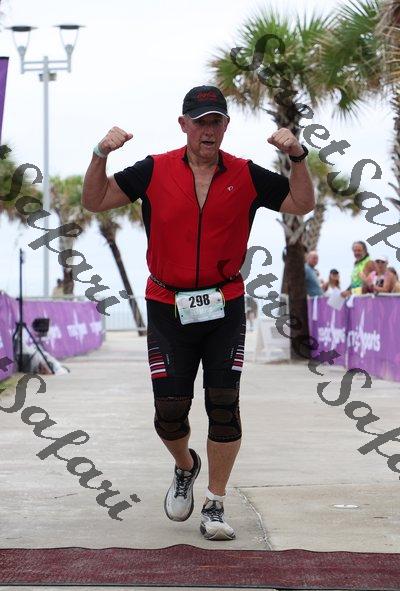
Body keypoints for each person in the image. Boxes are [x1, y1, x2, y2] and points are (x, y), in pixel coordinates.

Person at [81, 85, 315, 541]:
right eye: (200, 122)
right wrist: (99, 153)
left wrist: (298, 157)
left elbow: (301, 203)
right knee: (169, 412)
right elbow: (95, 200)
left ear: (226, 126)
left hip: (224, 304)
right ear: (184, 124)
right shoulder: (154, 169)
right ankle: (185, 465)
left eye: (216, 122)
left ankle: (215, 502)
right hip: (166, 305)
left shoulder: (245, 174)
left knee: (223, 406)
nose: (208, 130)